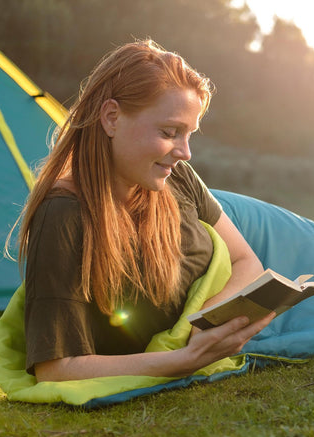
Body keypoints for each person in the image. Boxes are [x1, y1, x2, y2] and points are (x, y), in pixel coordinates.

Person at [15, 39, 275, 382]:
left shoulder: (177, 175)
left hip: (267, 228)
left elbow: (247, 260)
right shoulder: (63, 216)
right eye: (170, 132)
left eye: (189, 135)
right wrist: (184, 360)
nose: (185, 152)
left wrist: (208, 320)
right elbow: (56, 369)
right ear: (111, 118)